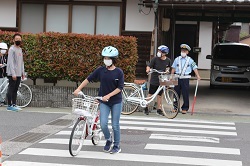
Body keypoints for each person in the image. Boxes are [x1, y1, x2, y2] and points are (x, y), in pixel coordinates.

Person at [74, 46, 124, 154]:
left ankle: (116, 145)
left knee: (115, 124)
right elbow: (88, 79)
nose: (106, 59)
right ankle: (108, 139)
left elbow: (120, 88)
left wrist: (109, 95)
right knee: (103, 124)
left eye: (108, 58)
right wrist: (78, 88)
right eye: (105, 57)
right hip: (103, 102)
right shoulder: (100, 70)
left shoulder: (119, 72)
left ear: (114, 59)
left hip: (116, 102)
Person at [171, 44, 201, 114]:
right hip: (177, 77)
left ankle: (185, 108)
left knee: (185, 93)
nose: (183, 52)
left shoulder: (190, 60)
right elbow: (173, 68)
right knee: (175, 93)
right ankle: (175, 107)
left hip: (185, 78)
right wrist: (171, 76)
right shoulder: (177, 59)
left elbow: (194, 68)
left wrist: (198, 76)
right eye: (182, 51)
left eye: (184, 51)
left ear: (187, 52)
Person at [144, 45, 171, 116]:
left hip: (162, 79)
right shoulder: (155, 59)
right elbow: (149, 65)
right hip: (155, 79)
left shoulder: (168, 60)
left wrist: (167, 71)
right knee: (150, 94)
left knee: (160, 95)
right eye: (158, 51)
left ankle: (159, 109)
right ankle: (146, 107)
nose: (158, 52)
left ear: (164, 53)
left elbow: (168, 68)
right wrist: (148, 69)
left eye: (160, 51)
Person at [6, 33, 25, 111]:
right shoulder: (12, 49)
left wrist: (22, 72)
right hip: (12, 73)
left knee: (15, 89)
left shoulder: (20, 49)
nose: (18, 40)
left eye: (19, 39)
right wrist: (13, 73)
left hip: (18, 73)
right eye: (16, 39)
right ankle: (9, 105)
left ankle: (14, 104)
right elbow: (10, 62)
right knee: (11, 89)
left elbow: (21, 62)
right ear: (13, 40)